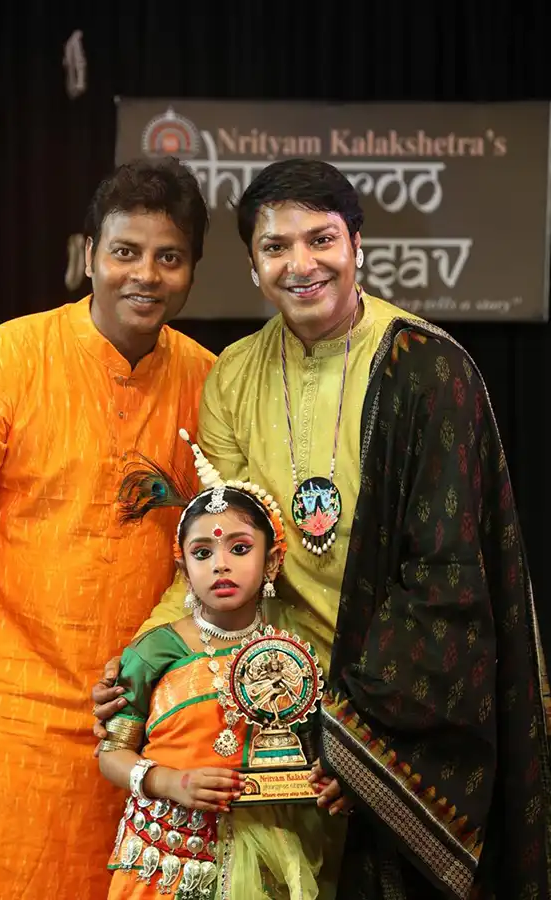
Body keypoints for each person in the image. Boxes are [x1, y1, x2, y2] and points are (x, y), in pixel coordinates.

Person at [93, 158, 551, 898]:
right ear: (253, 267)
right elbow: (213, 548)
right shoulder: (235, 375)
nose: (301, 264)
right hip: (273, 710)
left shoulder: (429, 370)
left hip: (396, 723)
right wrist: (143, 661)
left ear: (357, 245)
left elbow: (446, 582)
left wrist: (358, 740)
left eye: (322, 239)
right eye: (276, 247)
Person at [0, 157, 216, 899]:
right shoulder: (3, 363)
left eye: (169, 257)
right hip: (8, 720)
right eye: (126, 251)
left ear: (193, 270)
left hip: (146, 725)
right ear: (90, 254)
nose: (146, 275)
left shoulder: (207, 384)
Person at [98, 431, 347, 899]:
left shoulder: (288, 652)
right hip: (170, 858)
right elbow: (111, 754)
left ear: (272, 561)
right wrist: (170, 781)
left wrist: (330, 780)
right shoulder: (155, 650)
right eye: (202, 553)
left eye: (239, 548)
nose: (220, 565)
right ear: (184, 568)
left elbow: (311, 751)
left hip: (269, 857)